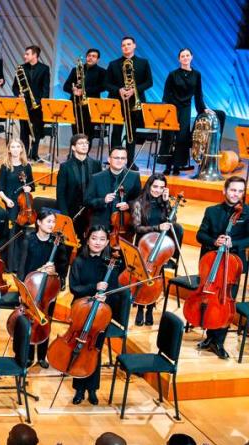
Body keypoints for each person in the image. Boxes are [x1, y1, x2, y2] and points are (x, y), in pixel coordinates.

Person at [65, 225, 126, 404]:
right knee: (79, 348)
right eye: (94, 238)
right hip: (81, 311)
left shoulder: (111, 264)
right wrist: (95, 288)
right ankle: (79, 390)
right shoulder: (78, 261)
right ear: (87, 239)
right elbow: (74, 288)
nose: (97, 242)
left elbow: (114, 290)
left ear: (107, 242)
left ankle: (92, 389)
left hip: (100, 315)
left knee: (94, 351)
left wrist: (106, 295)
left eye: (101, 239)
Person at [194, 176, 247, 360]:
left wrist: (234, 243)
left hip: (233, 265)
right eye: (233, 190)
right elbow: (200, 235)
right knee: (210, 299)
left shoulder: (247, 213)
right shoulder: (212, 211)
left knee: (225, 301)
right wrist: (214, 241)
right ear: (224, 191)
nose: (236, 194)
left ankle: (219, 341)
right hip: (212, 263)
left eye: (240, 191)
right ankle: (209, 337)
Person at [11, 208, 70, 367]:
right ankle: (29, 355)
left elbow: (64, 266)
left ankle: (42, 356)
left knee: (45, 321)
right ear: (38, 222)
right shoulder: (28, 240)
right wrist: (22, 291)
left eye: (53, 222)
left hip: (48, 291)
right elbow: (22, 267)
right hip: (31, 288)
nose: (52, 225)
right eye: (48, 221)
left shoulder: (57, 243)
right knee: (29, 321)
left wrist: (55, 270)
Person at [130, 173, 184, 326]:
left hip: (160, 247)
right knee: (143, 277)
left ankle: (150, 307)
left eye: (161, 187)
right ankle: (140, 307)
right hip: (144, 245)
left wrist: (167, 202)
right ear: (149, 186)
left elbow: (172, 222)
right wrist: (157, 227)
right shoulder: (138, 203)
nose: (158, 190)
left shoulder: (164, 203)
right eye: (155, 186)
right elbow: (137, 227)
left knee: (155, 278)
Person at [160, 48, 210, 175]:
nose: (185, 58)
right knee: (169, 136)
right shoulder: (173, 74)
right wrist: (165, 108)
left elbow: (198, 94)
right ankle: (167, 165)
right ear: (179, 59)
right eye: (183, 56)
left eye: (187, 55)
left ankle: (177, 166)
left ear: (191, 57)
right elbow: (166, 93)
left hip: (185, 108)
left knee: (182, 137)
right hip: (172, 108)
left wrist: (203, 108)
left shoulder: (197, 75)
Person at [105, 36, 153, 169]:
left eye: (128, 44)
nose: (126, 47)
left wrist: (134, 90)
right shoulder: (113, 64)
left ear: (134, 46)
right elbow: (106, 83)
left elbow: (149, 82)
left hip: (134, 103)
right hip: (118, 102)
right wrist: (118, 90)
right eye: (123, 45)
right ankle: (114, 161)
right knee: (116, 133)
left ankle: (130, 161)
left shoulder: (143, 63)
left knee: (131, 133)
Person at [55, 133, 101, 239]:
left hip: (90, 211)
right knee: (67, 244)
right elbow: (60, 193)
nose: (85, 145)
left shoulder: (96, 164)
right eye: (80, 143)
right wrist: (65, 215)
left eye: (86, 143)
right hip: (72, 211)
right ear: (73, 147)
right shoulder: (65, 167)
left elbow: (98, 188)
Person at [85, 145, 141, 229]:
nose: (119, 161)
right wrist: (103, 200)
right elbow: (87, 201)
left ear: (126, 160)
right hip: (101, 221)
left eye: (122, 158)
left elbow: (139, 199)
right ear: (109, 159)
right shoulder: (96, 178)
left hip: (124, 222)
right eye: (116, 158)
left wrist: (129, 205)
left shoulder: (134, 176)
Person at [12, 45, 50, 161]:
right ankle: (23, 155)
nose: (25, 56)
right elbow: (15, 87)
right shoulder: (21, 68)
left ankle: (34, 154)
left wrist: (38, 102)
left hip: (38, 105)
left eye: (27, 54)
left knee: (37, 131)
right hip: (24, 104)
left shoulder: (44, 68)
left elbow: (45, 89)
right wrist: (19, 94)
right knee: (24, 131)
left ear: (34, 55)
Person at [63, 49, 106, 142]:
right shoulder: (76, 69)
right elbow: (65, 86)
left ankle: (85, 154)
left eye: (94, 56)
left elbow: (103, 87)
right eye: (89, 55)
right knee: (75, 131)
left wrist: (84, 91)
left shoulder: (102, 72)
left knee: (89, 132)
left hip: (91, 106)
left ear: (98, 59)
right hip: (76, 105)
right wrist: (73, 90)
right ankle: (74, 154)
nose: (90, 58)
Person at [0, 138, 34, 228]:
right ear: (9, 150)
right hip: (11, 201)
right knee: (13, 228)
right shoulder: (5, 167)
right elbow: (0, 189)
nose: (15, 149)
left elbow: (31, 185)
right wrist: (6, 200)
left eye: (18, 147)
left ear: (22, 149)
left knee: (23, 228)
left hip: (24, 203)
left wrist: (29, 188)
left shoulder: (26, 166)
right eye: (13, 147)